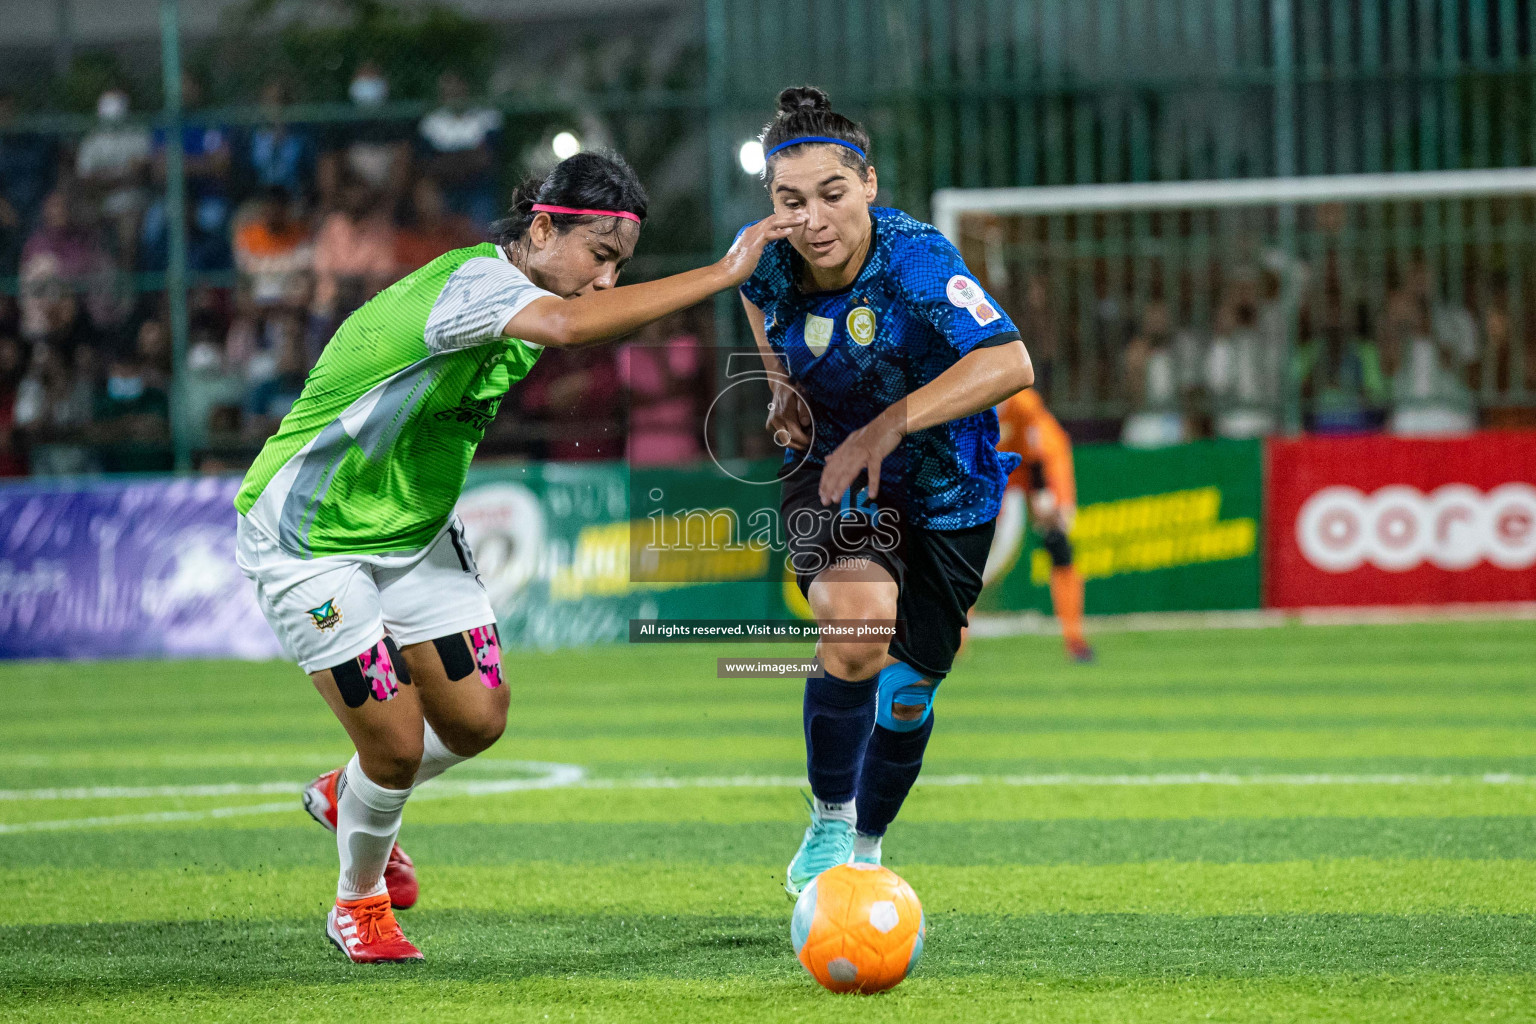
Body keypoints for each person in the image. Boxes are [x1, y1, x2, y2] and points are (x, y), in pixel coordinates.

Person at [233, 150, 801, 963]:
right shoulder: (478, 287)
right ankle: (357, 903)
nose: (605, 281)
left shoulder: (535, 289)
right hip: (311, 539)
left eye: (619, 265)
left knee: (475, 720)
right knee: (393, 745)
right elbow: (570, 328)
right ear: (541, 229)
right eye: (601, 258)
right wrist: (724, 272)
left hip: (412, 533)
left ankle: (346, 793)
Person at [737, 87, 1033, 895]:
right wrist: (779, 389)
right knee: (858, 628)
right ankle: (831, 824)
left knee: (905, 696)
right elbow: (754, 298)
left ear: (869, 185)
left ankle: (867, 851)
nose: (813, 220)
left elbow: (1010, 364)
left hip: (948, 486)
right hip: (835, 469)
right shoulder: (764, 252)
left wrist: (888, 425)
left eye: (832, 195)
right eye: (790, 201)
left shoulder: (917, 257)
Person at [993, 389, 1092, 662]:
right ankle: (954, 642)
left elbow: (1037, 457)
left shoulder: (1023, 403)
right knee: (974, 543)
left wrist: (1044, 498)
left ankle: (1074, 639)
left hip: (1042, 462)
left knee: (1057, 541)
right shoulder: (971, 397)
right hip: (1000, 465)